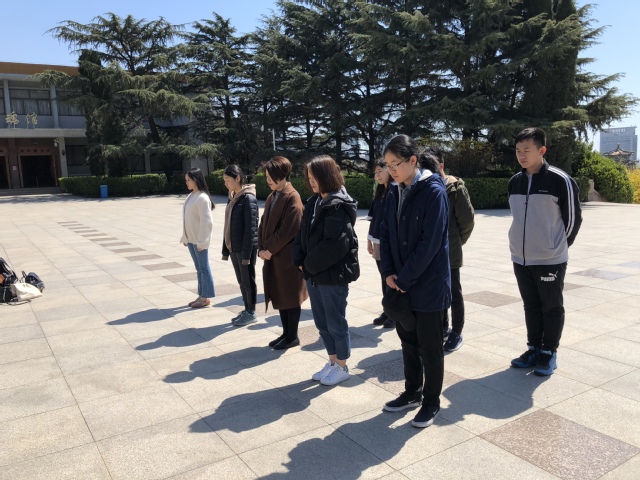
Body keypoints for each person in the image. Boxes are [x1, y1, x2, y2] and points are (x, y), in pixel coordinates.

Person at [379, 135, 450, 428]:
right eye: (387, 165)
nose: (391, 170)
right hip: (401, 283)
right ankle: (412, 391)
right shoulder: (394, 192)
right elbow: (386, 233)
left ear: (412, 160)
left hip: (428, 285)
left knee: (430, 347)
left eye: (395, 164)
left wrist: (404, 278)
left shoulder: (433, 191)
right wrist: (388, 272)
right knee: (407, 341)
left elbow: (429, 244)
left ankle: (431, 402)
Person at [508, 127, 582, 376]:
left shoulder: (560, 180)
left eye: (527, 150)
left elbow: (573, 219)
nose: (521, 155)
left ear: (542, 150)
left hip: (550, 258)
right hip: (521, 257)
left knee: (551, 306)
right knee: (531, 305)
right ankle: (533, 348)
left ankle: (549, 352)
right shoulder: (515, 182)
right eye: (518, 150)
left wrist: (557, 246)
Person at [292, 155, 359, 386]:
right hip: (314, 274)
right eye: (309, 177)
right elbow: (301, 235)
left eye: (315, 177)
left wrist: (307, 264)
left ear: (327, 176)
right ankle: (332, 361)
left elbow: (336, 245)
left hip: (332, 275)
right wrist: (298, 259)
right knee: (322, 322)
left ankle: (342, 366)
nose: (311, 181)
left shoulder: (338, 205)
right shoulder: (314, 202)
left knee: (335, 323)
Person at [421, 148, 475, 352]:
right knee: (437, 290)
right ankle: (442, 326)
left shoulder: (455, 188)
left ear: (441, 166)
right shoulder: (425, 187)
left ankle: (457, 331)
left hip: (450, 250)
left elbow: (467, 222)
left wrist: (456, 242)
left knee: (454, 292)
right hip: (431, 252)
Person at [258, 156, 308, 349]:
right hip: (273, 256)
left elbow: (290, 228)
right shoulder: (273, 195)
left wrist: (269, 249)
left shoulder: (292, 196)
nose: (268, 180)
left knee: (290, 296)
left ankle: (292, 335)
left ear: (282, 175)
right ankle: (286, 333)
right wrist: (261, 247)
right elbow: (263, 223)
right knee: (280, 295)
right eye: (267, 177)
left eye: (271, 176)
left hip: (286, 257)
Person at [222, 165, 259, 326]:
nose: (225, 183)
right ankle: (246, 309)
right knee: (241, 282)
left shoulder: (248, 199)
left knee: (248, 281)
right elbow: (227, 225)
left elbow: (251, 229)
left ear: (238, 178)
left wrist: (246, 254)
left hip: (245, 249)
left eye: (227, 180)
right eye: (224, 180)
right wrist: (226, 248)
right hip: (234, 247)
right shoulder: (232, 197)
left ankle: (251, 312)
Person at [181, 167, 215, 308]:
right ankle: (201, 295)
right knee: (199, 268)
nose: (187, 183)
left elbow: (207, 222)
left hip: (199, 241)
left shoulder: (202, 197)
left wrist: (202, 242)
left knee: (203, 268)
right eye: (186, 180)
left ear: (196, 180)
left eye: (189, 180)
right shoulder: (191, 195)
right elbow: (187, 218)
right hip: (191, 240)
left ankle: (205, 297)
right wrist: (185, 237)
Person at [366, 159, 394, 328]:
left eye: (380, 171)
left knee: (390, 278)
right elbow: (373, 218)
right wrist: (369, 240)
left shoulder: (395, 190)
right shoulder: (380, 191)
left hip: (389, 243)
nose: (377, 176)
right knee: (384, 278)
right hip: (378, 241)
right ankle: (387, 310)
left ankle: (394, 313)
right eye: (375, 173)